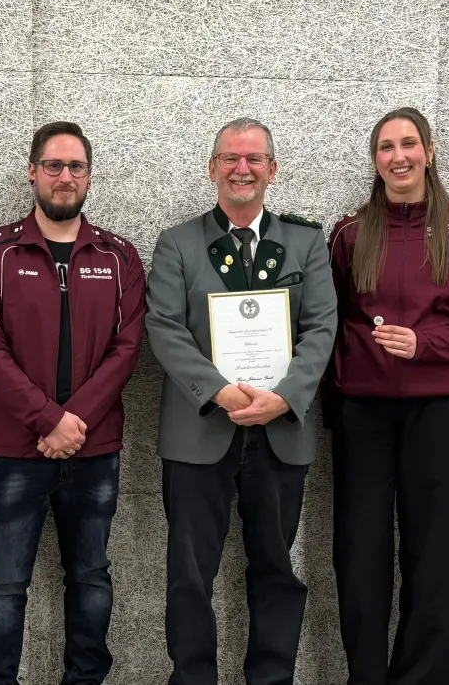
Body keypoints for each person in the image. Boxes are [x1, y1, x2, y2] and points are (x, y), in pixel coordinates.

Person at [146, 117, 337, 685]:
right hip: (199, 430)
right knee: (189, 573)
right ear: (212, 169)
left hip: (281, 432)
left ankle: (272, 678)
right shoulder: (177, 243)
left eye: (254, 159)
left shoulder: (305, 242)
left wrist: (283, 398)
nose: (242, 169)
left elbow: (322, 328)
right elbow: (165, 328)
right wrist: (222, 392)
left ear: (272, 170)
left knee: (277, 569)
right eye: (230, 158)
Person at [0, 121, 145, 685]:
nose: (65, 178)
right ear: (32, 173)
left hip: (93, 450)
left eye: (76, 167)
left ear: (89, 176)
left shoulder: (118, 257)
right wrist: (48, 419)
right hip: (14, 449)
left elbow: (127, 347)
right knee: (4, 583)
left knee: (90, 578)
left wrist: (75, 421)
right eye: (54, 166)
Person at [325, 108, 449, 685]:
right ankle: (367, 676)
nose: (398, 156)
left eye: (408, 144)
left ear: (428, 150)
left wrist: (426, 342)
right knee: (361, 551)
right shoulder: (351, 232)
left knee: (431, 554)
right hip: (364, 413)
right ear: (375, 160)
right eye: (385, 147)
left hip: (438, 410)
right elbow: (325, 323)